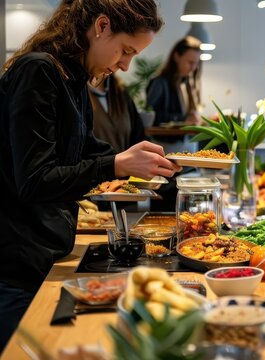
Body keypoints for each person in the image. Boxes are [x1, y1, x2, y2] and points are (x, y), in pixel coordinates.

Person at [0, 0, 178, 351]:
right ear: (101, 26)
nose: (125, 65)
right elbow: (35, 179)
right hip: (16, 266)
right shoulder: (38, 71)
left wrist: (156, 162)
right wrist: (116, 165)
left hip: (45, 254)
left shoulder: (73, 79)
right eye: (125, 51)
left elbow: (84, 149)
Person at [146, 36, 203, 154]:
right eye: (190, 62)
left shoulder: (186, 83)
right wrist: (184, 119)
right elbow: (151, 115)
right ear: (176, 57)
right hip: (166, 147)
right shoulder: (159, 82)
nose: (193, 67)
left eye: (196, 63)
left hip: (185, 144)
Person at [89, 74, 146, 153]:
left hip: (127, 164)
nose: (125, 68)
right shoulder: (77, 91)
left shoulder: (120, 91)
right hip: (96, 164)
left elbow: (138, 135)